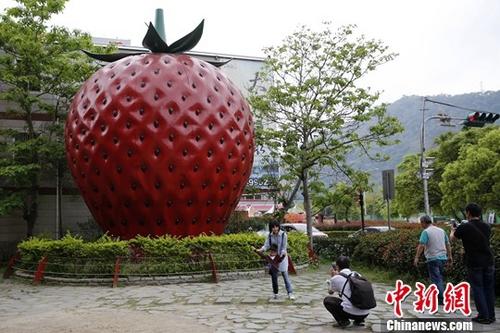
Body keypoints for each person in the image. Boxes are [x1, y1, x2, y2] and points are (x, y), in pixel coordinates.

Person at [450, 203, 495, 324]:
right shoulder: (487, 226)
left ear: (468, 213)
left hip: (474, 262)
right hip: (489, 261)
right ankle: (491, 315)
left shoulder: (465, 226)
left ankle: (483, 316)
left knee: (478, 288)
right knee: (488, 289)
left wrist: (452, 230)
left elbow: (452, 238)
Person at [413, 215, 452, 305]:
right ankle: (438, 296)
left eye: (421, 223)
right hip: (443, 258)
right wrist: (450, 256)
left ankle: (441, 299)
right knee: (440, 278)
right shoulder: (441, 231)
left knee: (436, 279)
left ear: (423, 222)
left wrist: (416, 257)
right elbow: (448, 244)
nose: (421, 225)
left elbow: (421, 245)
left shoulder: (426, 232)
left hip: (432, 259)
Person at [323, 255, 370, 327]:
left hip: (350, 313)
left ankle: (343, 321)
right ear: (349, 266)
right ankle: (359, 321)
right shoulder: (357, 274)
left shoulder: (336, 278)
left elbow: (331, 292)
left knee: (327, 300)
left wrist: (333, 277)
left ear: (337, 267)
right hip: (365, 313)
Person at [256, 220, 295, 300]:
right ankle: (275, 293)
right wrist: (261, 250)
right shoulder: (269, 236)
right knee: (274, 276)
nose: (275, 228)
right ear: (271, 228)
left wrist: (283, 254)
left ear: (278, 227)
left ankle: (290, 293)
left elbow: (284, 247)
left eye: (276, 226)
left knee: (285, 275)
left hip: (282, 257)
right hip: (273, 258)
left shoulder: (284, 235)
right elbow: (266, 245)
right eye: (273, 227)